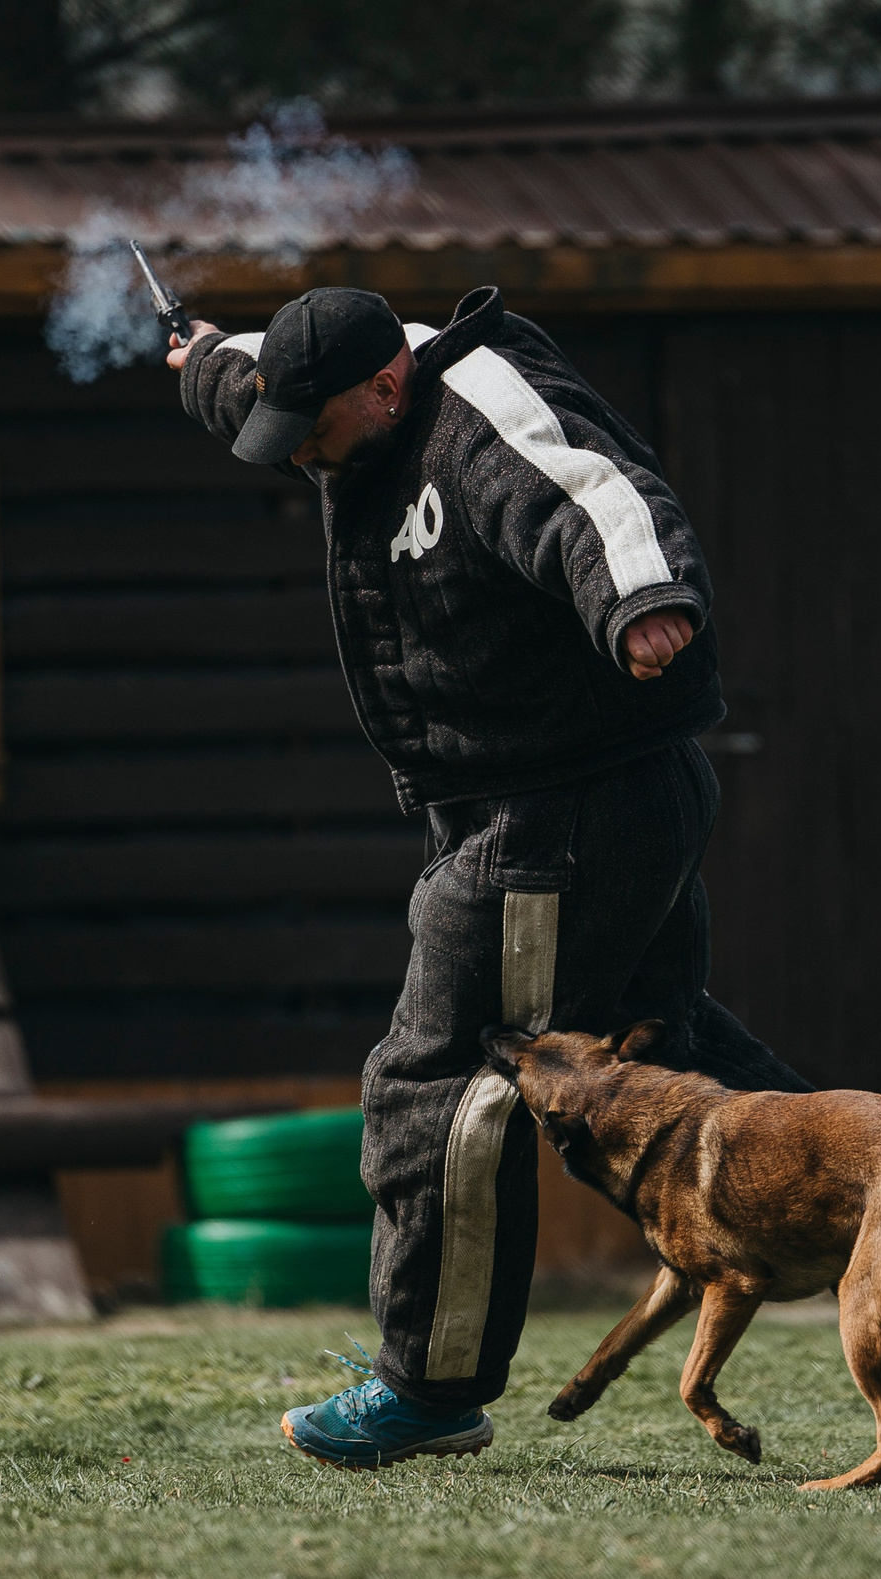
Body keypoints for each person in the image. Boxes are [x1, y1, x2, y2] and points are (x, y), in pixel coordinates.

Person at [168, 284, 807, 1471]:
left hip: (556, 812)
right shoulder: (331, 395)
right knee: (653, 1047)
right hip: (572, 800)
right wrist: (201, 356)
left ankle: (429, 1387)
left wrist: (642, 600)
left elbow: (597, 494)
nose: (299, 455)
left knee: (448, 1077)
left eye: (314, 431)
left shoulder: (483, 412)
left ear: (386, 387)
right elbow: (248, 379)